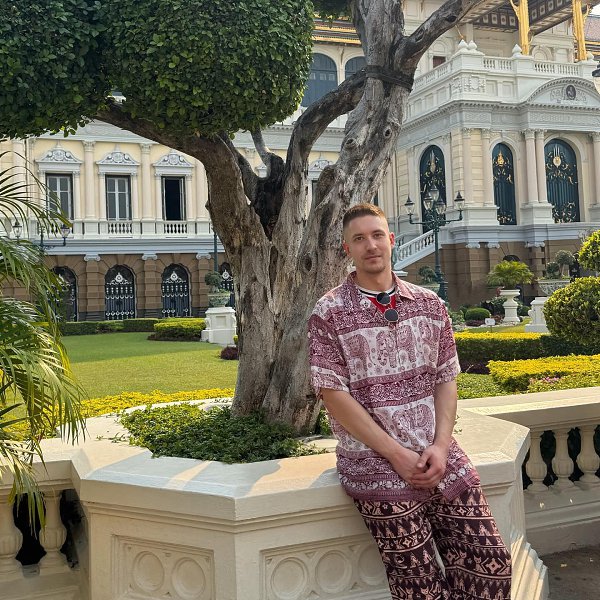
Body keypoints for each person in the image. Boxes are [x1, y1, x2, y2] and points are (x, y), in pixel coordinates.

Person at [308, 203, 511, 600]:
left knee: (490, 564)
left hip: (439, 454)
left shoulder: (429, 304)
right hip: (373, 463)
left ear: (391, 240)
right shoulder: (329, 312)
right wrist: (396, 454)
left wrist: (441, 445)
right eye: (359, 239)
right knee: (418, 585)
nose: (370, 245)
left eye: (377, 235)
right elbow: (333, 394)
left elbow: (446, 378)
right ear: (347, 249)